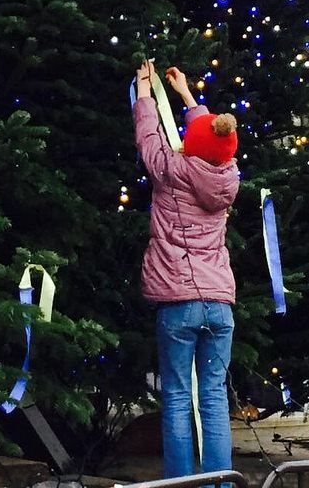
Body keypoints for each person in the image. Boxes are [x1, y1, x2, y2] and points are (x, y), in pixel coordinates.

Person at [133, 60, 240, 481]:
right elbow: (214, 140)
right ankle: (220, 483)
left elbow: (148, 139)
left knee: (178, 396)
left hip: (178, 303)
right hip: (220, 306)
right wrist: (187, 96)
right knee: (213, 396)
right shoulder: (228, 178)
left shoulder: (171, 171)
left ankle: (181, 483)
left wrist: (146, 91)